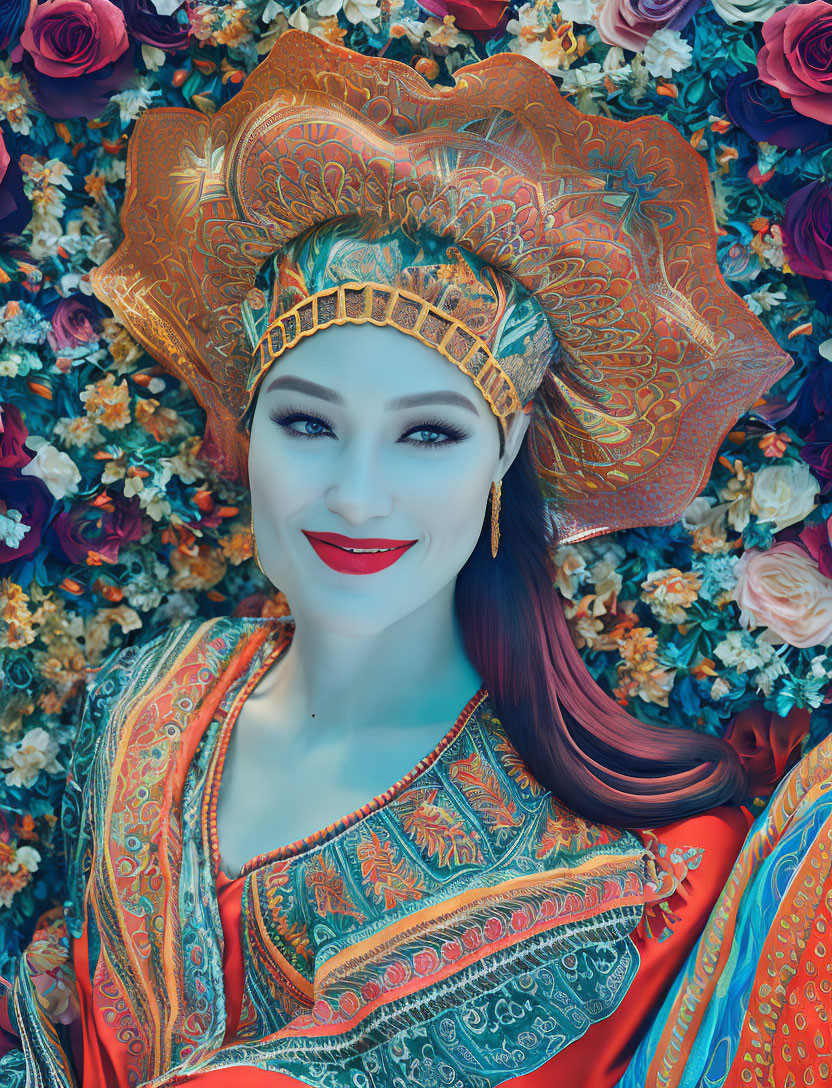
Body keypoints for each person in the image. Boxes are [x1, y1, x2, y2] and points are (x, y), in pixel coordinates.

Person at [1, 28, 829, 1088]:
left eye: (428, 433)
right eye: (306, 423)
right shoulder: (148, 699)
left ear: (507, 450)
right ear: (244, 432)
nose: (355, 491)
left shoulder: (639, 874)